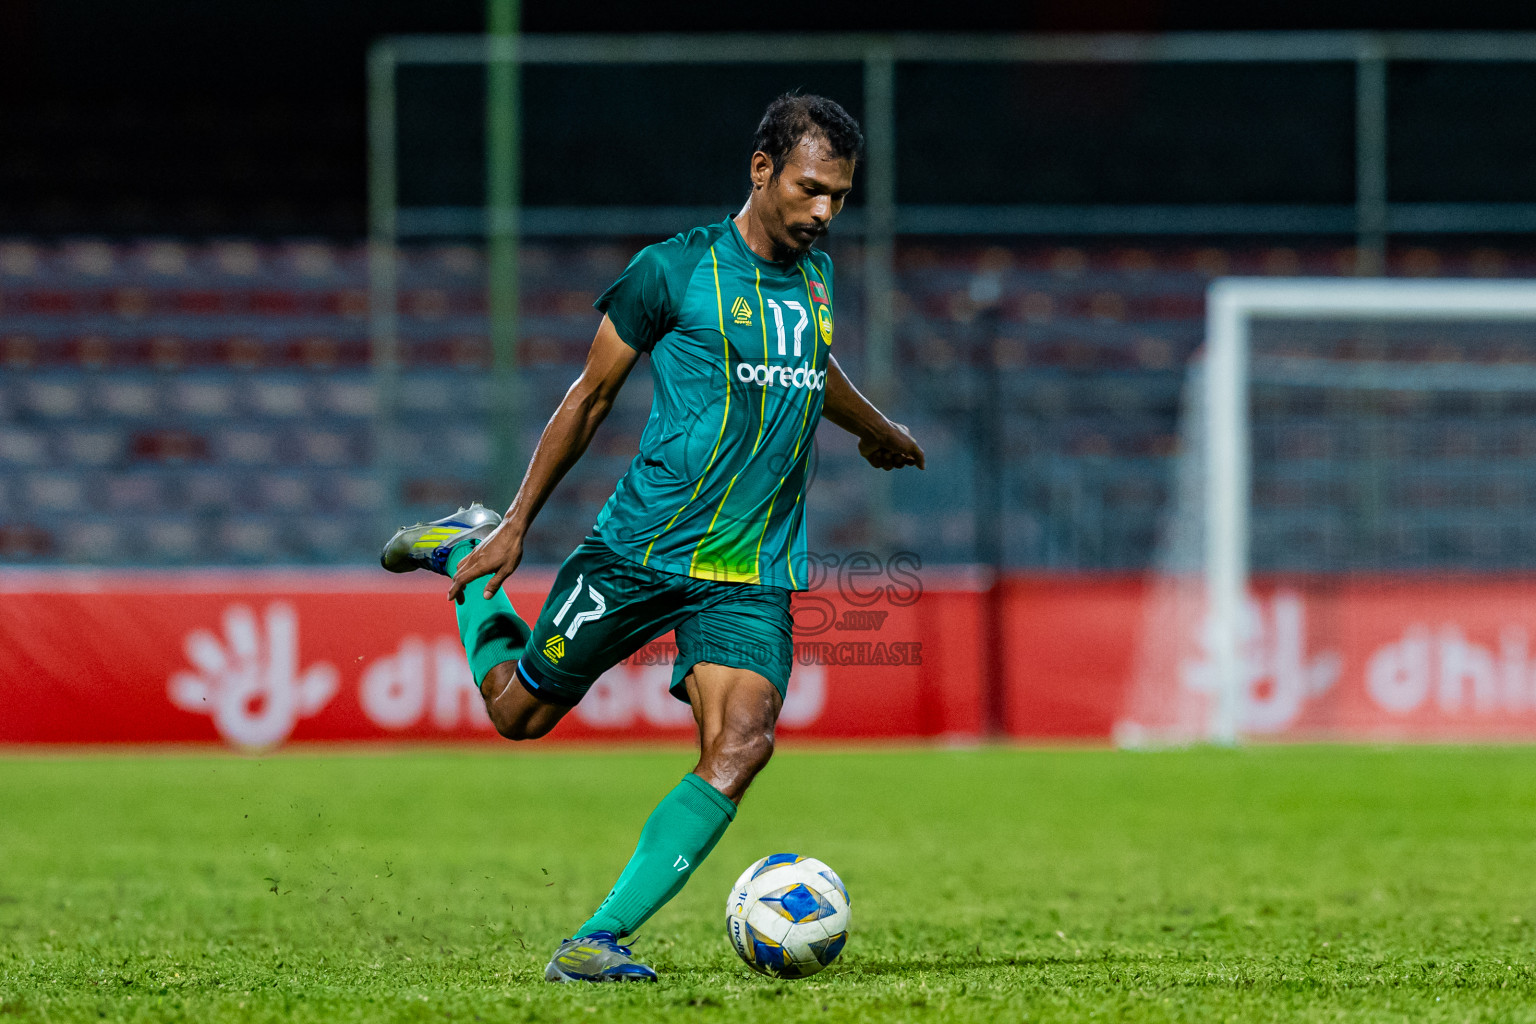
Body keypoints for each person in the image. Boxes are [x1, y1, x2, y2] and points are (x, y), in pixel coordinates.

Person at [380, 93, 924, 983]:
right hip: (640, 550)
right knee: (519, 714)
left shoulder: (817, 278)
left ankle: (597, 940)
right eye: (811, 189)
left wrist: (877, 428)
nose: (826, 211)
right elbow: (589, 396)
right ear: (763, 171)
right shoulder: (671, 271)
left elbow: (811, 363)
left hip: (750, 570)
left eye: (840, 196)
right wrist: (516, 523)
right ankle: (465, 559)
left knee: (743, 743)